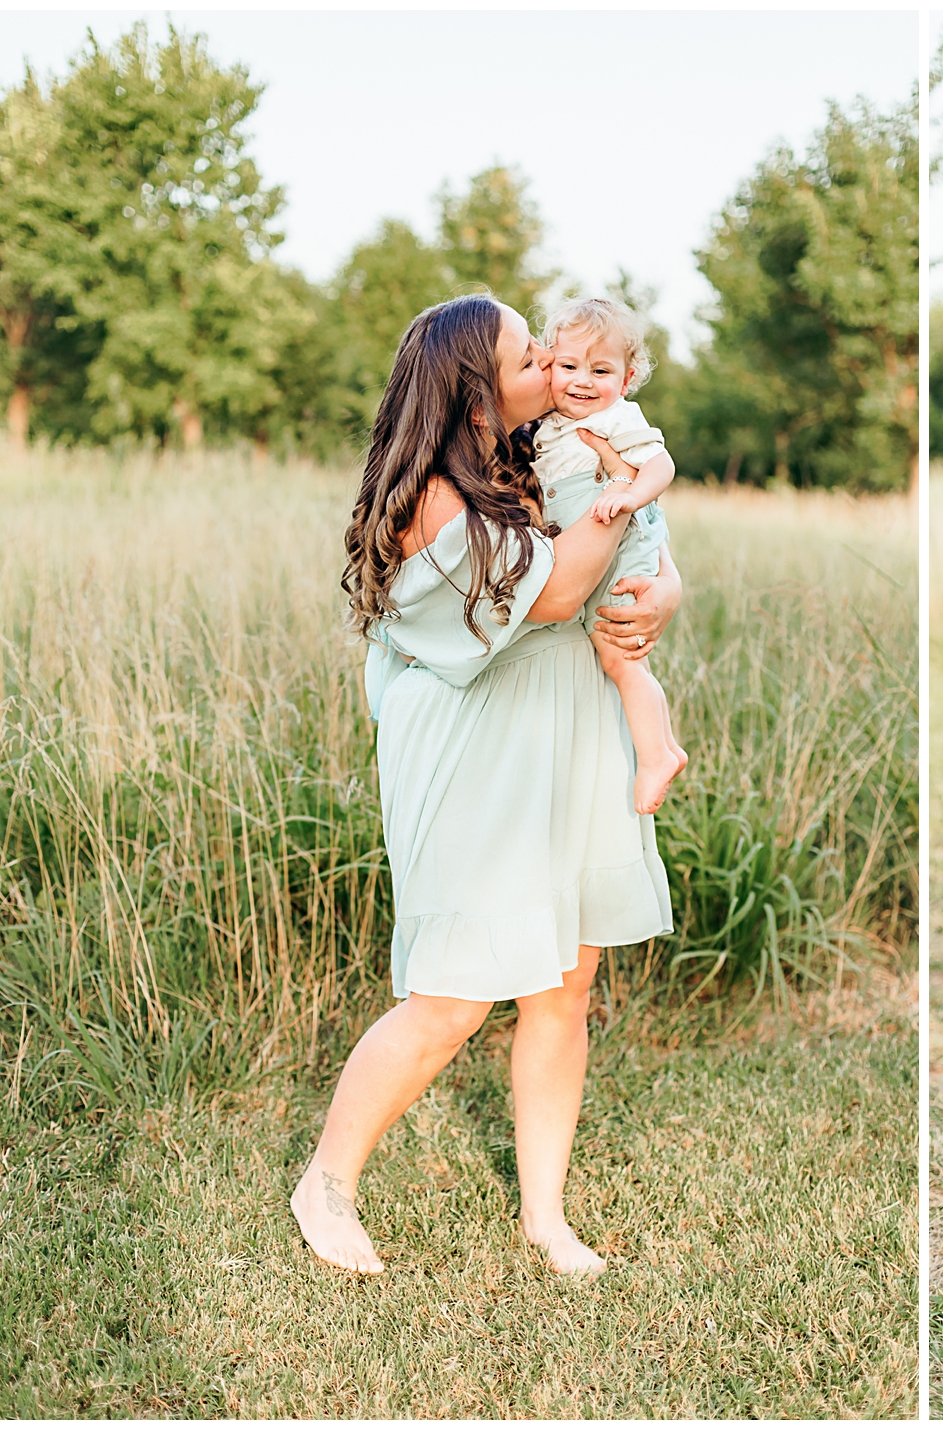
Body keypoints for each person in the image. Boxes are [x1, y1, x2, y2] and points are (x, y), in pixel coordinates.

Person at [294, 293, 678, 1276]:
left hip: (566, 718)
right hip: (474, 750)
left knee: (565, 981)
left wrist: (662, 586)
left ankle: (544, 1217)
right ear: (476, 390)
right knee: (454, 991)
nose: (552, 364)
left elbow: (631, 556)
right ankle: (327, 1179)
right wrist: (624, 491)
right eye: (529, 355)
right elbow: (552, 589)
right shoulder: (430, 493)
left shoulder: (540, 451)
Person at [533, 297, 688, 815]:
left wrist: (630, 494)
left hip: (624, 544)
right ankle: (664, 745)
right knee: (616, 653)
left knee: (618, 654)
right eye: (569, 366)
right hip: (594, 539)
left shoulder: (618, 419)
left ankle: (654, 757)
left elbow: (660, 465)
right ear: (549, 364)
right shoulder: (548, 423)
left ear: (625, 380)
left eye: (601, 371)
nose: (582, 380)